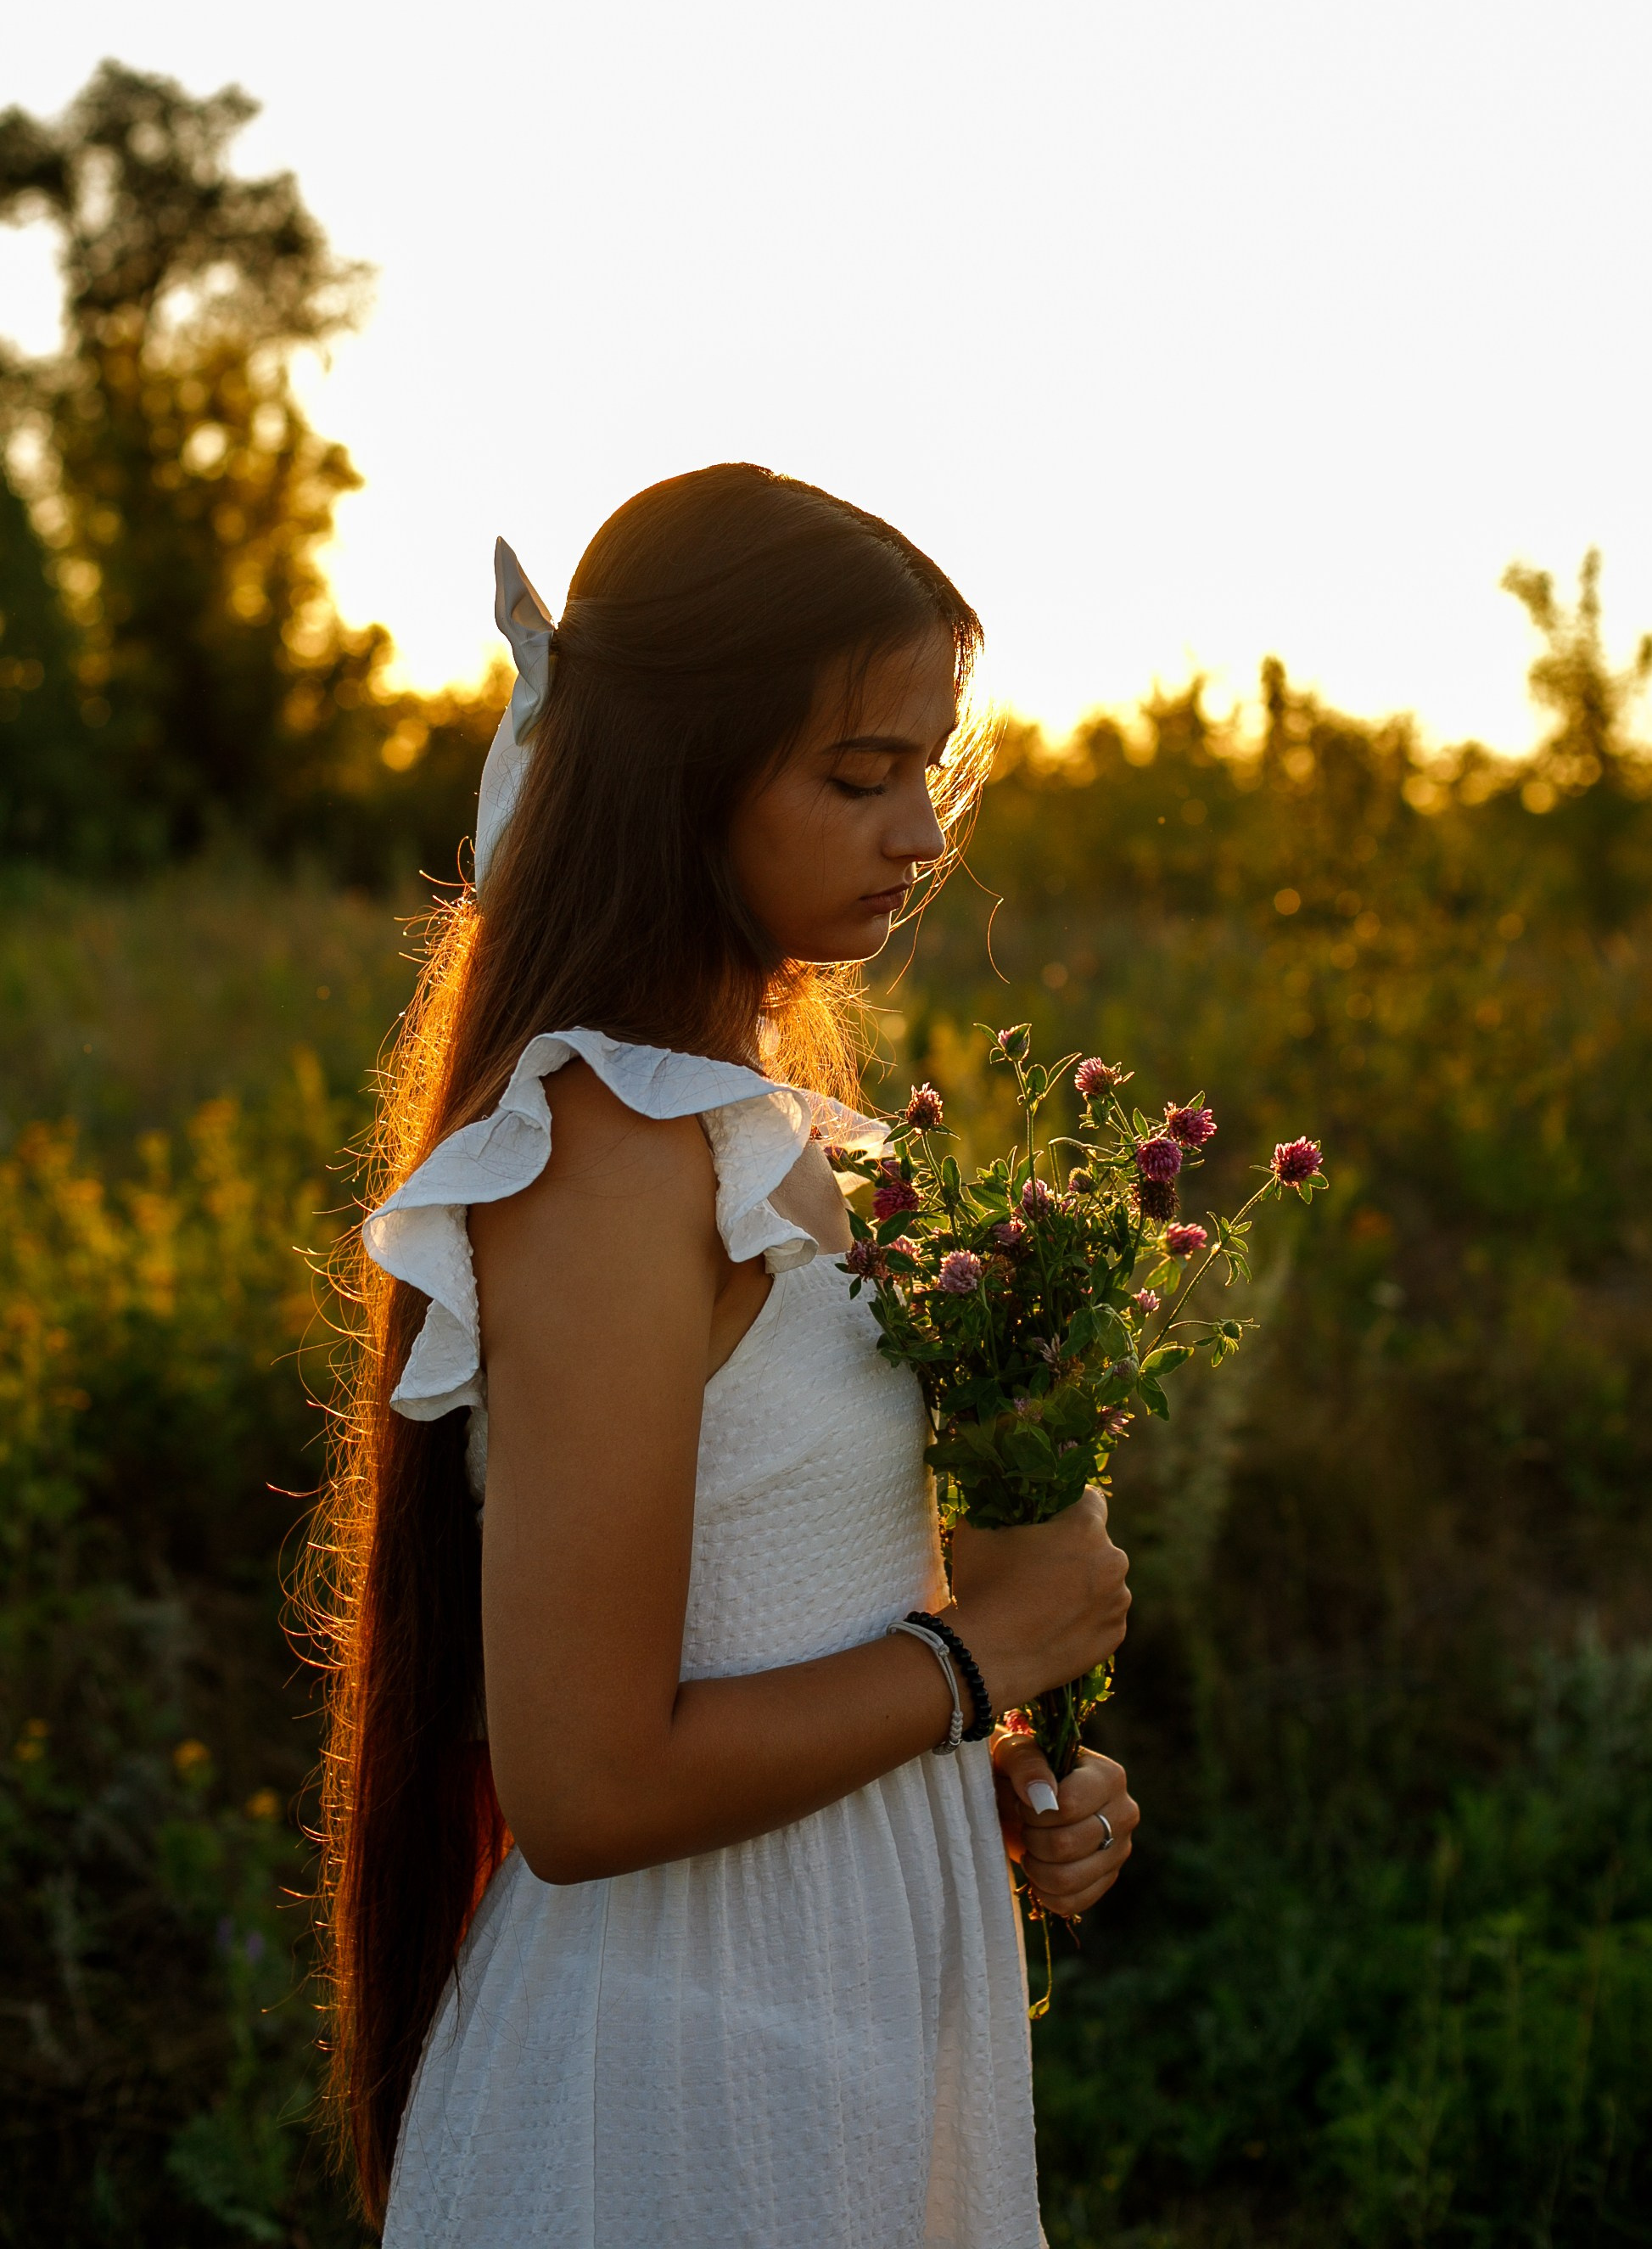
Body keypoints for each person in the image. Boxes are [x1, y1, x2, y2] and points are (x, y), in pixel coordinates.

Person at [312, 464, 1139, 2246]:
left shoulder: (790, 1143)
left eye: (929, 769)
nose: (920, 834)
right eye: (858, 774)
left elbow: (792, 1617)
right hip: (681, 2061)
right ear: (680, 776)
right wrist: (978, 1656)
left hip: (844, 1997)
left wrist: (988, 1772)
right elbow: (588, 1785)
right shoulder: (610, 1155)